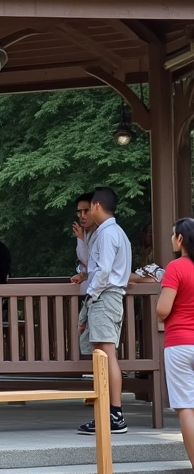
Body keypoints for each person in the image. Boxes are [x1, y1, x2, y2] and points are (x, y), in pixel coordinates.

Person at [76, 187, 131, 436]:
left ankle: (115, 414)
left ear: (97, 206)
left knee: (106, 355)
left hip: (105, 297)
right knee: (102, 354)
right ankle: (108, 413)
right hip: (109, 297)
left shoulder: (108, 234)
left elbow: (104, 270)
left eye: (89, 208)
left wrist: (92, 295)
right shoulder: (117, 233)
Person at [157, 218, 194, 474]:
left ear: (180, 239)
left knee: (186, 408)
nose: (172, 239)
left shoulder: (176, 267)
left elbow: (162, 309)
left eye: (173, 235)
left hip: (180, 343)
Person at [70, 193, 97, 291]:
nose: (82, 216)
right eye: (79, 212)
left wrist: (80, 238)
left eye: (86, 211)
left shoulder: (104, 234)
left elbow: (91, 262)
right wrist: (83, 275)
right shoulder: (86, 233)